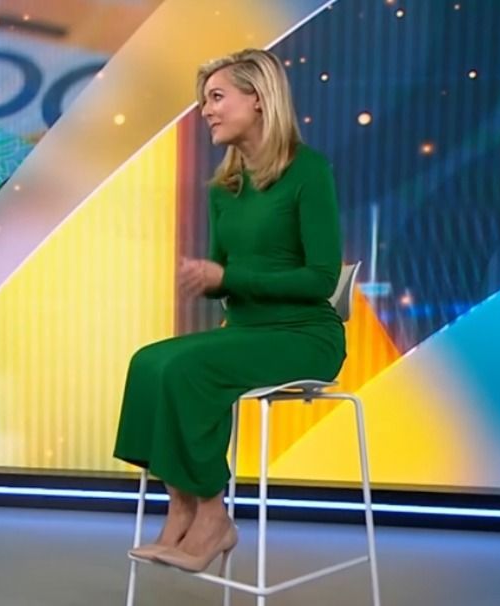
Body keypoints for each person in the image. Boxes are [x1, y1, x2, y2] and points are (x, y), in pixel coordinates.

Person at [113, 48, 345, 573]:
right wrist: (206, 280)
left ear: (258, 98)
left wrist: (228, 278)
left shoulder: (309, 172)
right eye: (204, 101)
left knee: (186, 369)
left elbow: (321, 279)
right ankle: (181, 508)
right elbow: (225, 274)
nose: (207, 111)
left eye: (217, 97)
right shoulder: (225, 188)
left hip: (304, 336)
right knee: (148, 362)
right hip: (244, 330)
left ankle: (213, 515)